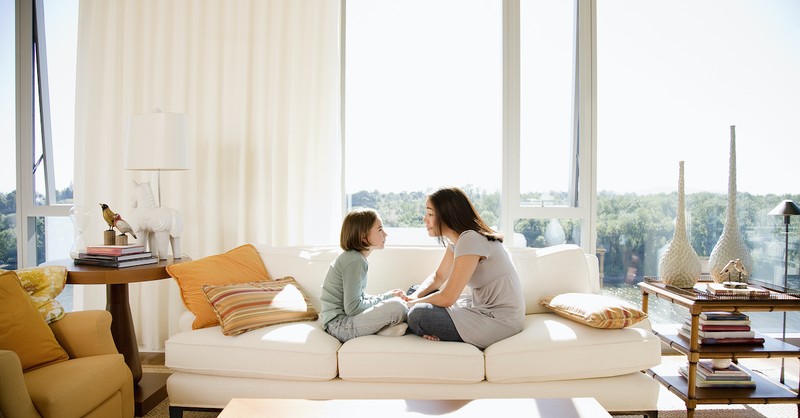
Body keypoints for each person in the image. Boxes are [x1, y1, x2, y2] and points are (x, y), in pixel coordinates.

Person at [406, 187, 525, 349]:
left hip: (499, 320)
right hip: (479, 307)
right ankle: (415, 318)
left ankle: (406, 319)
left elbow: (448, 298)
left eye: (430, 214)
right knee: (414, 290)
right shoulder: (458, 241)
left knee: (418, 314)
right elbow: (439, 276)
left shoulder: (471, 239)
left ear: (447, 214)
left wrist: (411, 305)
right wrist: (415, 297)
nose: (424, 219)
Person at [320, 208, 410, 342]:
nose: (385, 234)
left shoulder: (355, 258)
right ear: (363, 237)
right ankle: (382, 329)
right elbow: (353, 308)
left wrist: (388, 295)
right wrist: (389, 298)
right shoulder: (354, 261)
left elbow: (358, 298)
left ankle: (382, 329)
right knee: (398, 307)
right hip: (339, 326)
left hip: (342, 322)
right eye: (380, 230)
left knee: (397, 303)